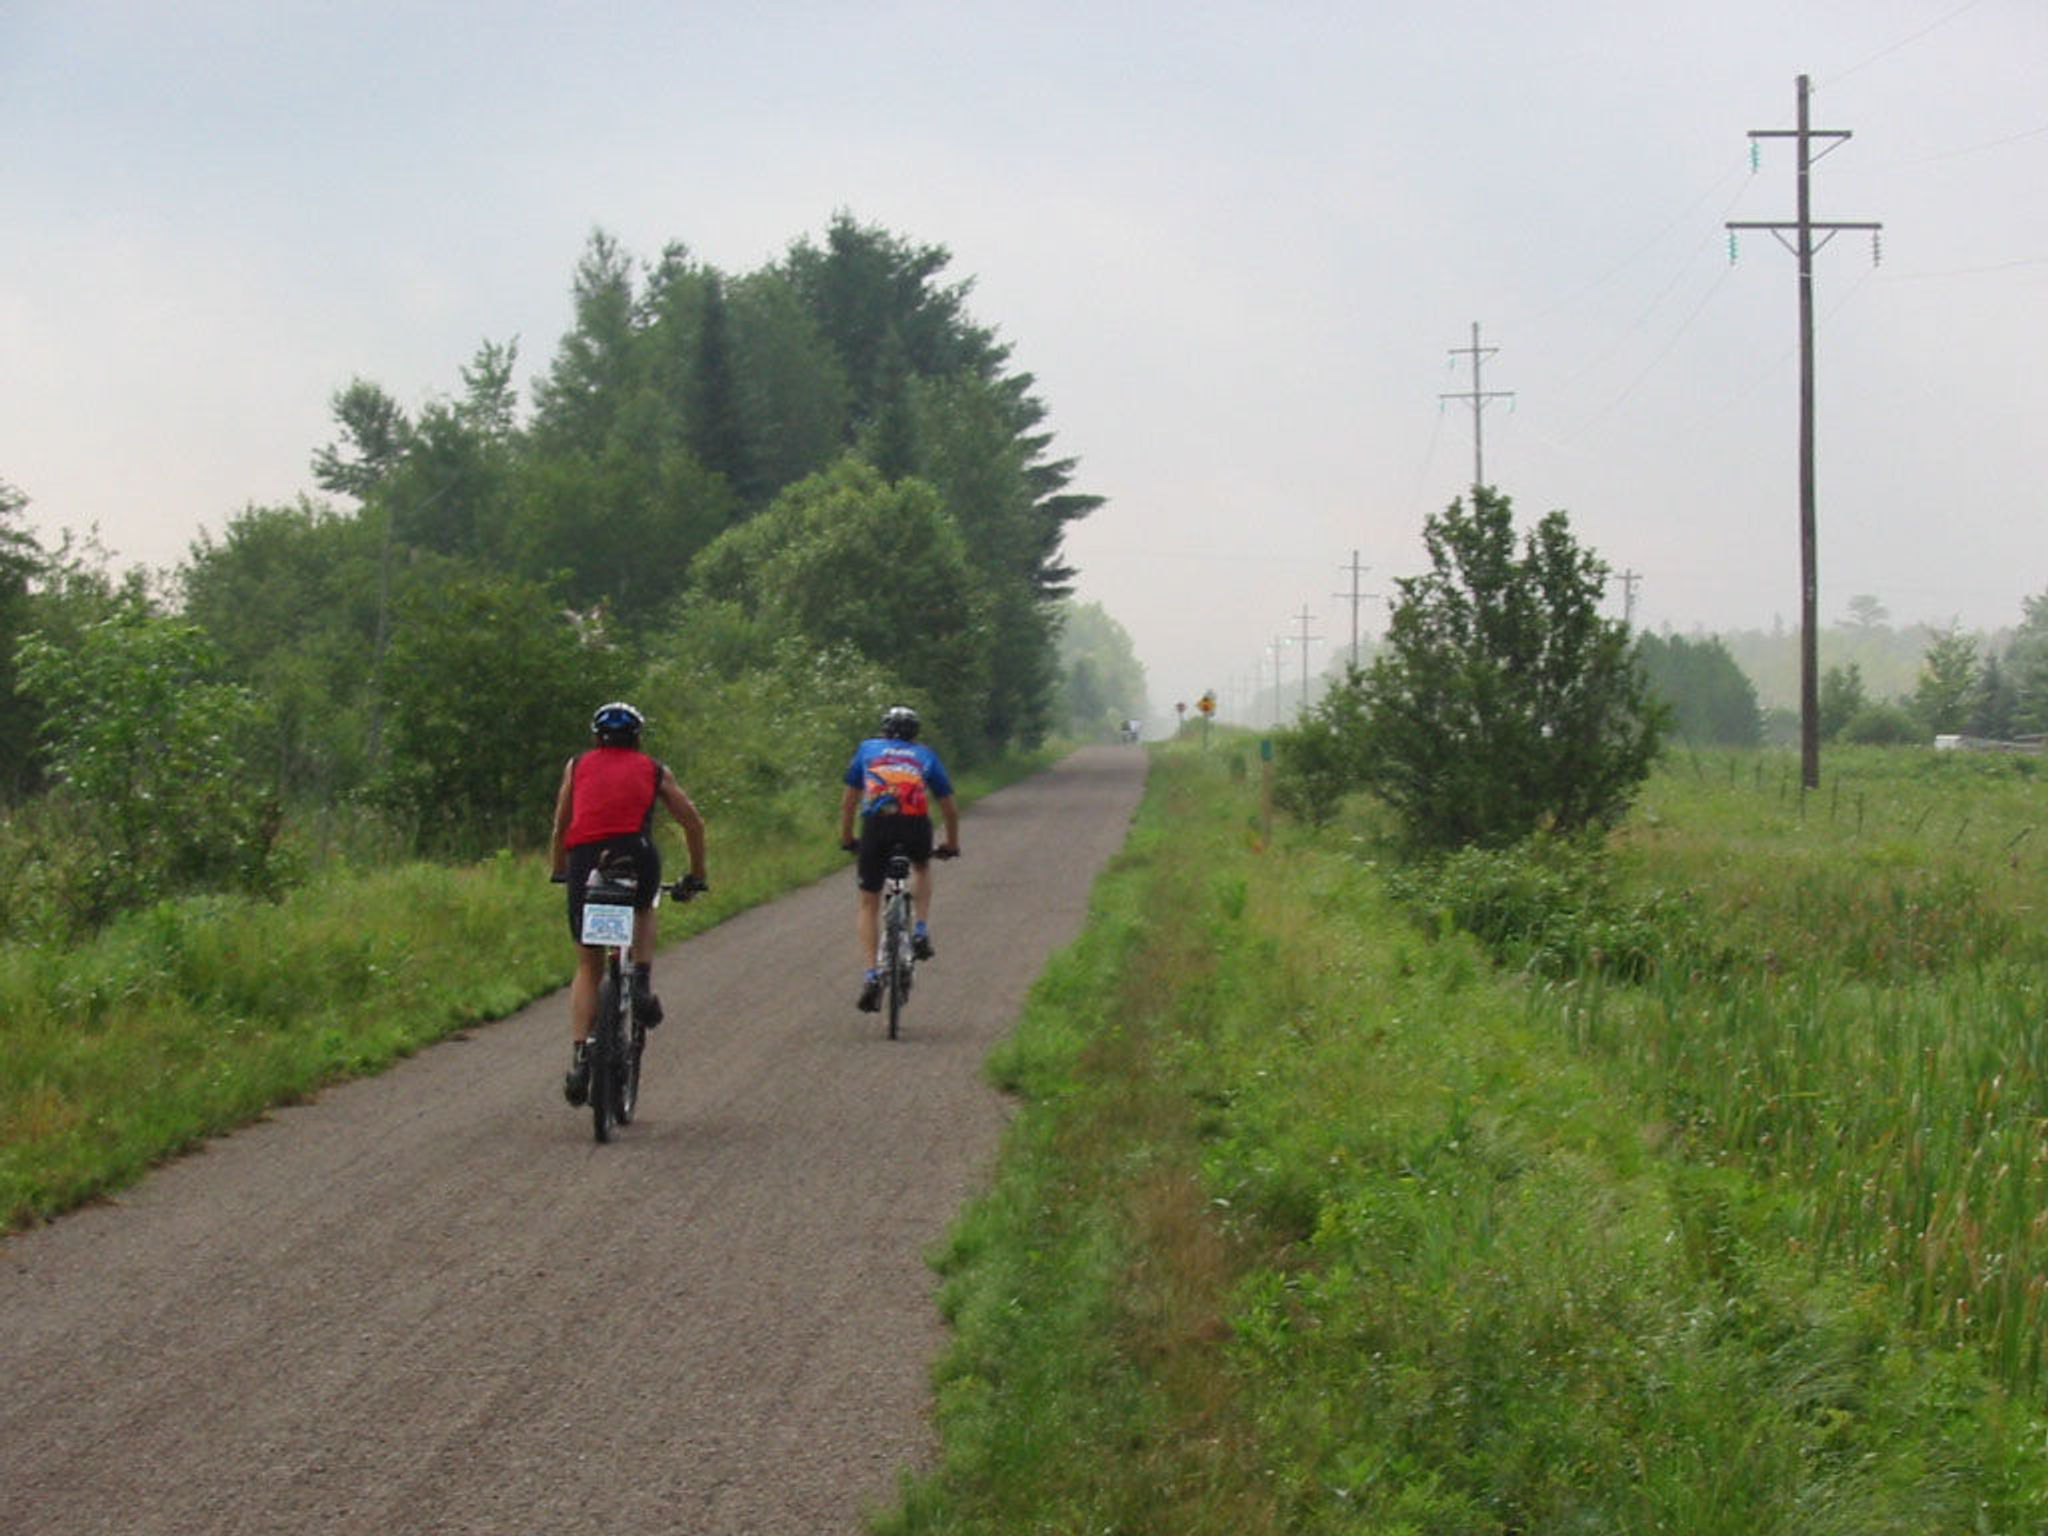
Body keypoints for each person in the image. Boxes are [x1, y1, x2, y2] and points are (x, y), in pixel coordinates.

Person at [550, 701, 708, 1106]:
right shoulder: (654, 770)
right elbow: (692, 820)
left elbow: (562, 823)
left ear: (595, 737)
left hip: (586, 859)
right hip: (635, 852)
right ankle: (640, 978)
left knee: (589, 963)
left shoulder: (577, 766)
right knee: (644, 905)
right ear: (638, 738)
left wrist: (559, 868)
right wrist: (697, 874)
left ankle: (581, 1055)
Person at [838, 705, 960, 1012]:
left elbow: (849, 801)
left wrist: (848, 838)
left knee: (869, 901)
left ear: (884, 731)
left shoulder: (868, 749)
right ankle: (920, 929)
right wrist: (951, 843)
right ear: (915, 735)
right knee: (921, 867)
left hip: (877, 826)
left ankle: (871, 975)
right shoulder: (925, 755)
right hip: (915, 825)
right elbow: (949, 808)